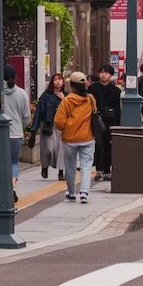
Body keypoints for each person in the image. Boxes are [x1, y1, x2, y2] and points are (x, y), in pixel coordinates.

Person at [54, 72, 96, 203]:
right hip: (88, 137)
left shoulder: (67, 100)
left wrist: (67, 127)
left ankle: (72, 193)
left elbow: (59, 121)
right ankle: (84, 193)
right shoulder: (90, 99)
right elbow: (95, 113)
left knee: (70, 167)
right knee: (86, 166)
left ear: (71, 85)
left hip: (70, 139)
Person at [2, 64, 31, 200]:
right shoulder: (21, 93)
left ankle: (1, 188)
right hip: (16, 134)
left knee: (0, 162)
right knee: (13, 162)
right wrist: (21, 126)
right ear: (15, 77)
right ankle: (12, 187)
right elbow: (26, 117)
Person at [88, 64, 121, 182]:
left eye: (106, 72)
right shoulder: (92, 88)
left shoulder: (116, 91)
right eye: (101, 72)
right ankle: (100, 170)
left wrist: (118, 124)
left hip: (110, 122)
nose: (103, 74)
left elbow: (118, 109)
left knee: (109, 146)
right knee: (98, 145)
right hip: (96, 121)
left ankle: (108, 170)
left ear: (111, 75)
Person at [31, 73, 66, 180]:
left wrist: (64, 99)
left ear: (63, 82)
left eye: (60, 79)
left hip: (62, 127)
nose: (58, 81)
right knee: (48, 149)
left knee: (61, 150)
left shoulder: (67, 96)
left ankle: (61, 172)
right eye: (55, 79)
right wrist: (33, 130)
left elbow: (72, 111)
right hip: (48, 125)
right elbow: (38, 113)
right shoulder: (46, 95)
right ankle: (45, 166)